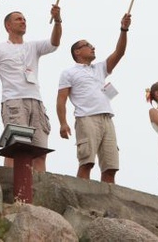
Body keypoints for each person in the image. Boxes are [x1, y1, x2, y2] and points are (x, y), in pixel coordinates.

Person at [0, 5, 62, 172]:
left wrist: (57, 20)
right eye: (18, 19)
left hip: (37, 102)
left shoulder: (33, 46)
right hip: (13, 102)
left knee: (40, 151)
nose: (23, 21)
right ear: (8, 26)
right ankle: (13, 189)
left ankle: (39, 191)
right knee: (16, 149)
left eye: (24, 19)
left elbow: (54, 43)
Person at [56, 13, 132, 184]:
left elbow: (119, 52)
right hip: (86, 118)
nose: (93, 47)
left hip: (107, 118)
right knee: (87, 162)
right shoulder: (69, 73)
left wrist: (124, 29)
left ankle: (108, 202)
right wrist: (63, 122)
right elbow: (61, 99)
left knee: (111, 167)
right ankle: (83, 198)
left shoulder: (100, 68)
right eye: (87, 45)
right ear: (77, 51)